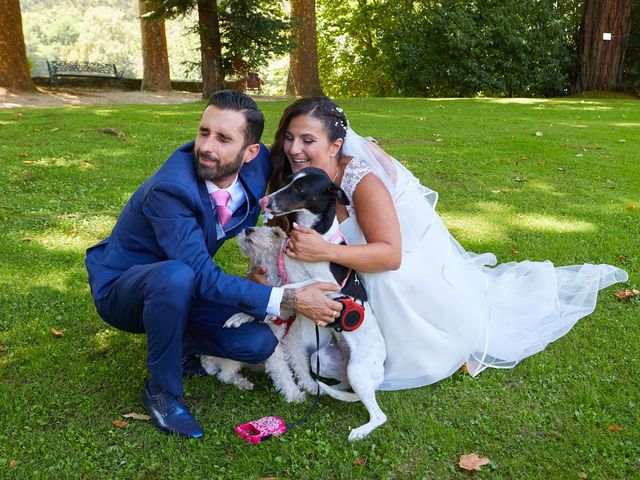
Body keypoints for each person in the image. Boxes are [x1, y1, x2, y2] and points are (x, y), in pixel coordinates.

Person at [268, 96, 629, 391]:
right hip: (357, 253)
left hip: (405, 254)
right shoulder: (295, 178)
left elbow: (391, 255)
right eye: (289, 137)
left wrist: (327, 251)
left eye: (307, 140)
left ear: (336, 145)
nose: (294, 148)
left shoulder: (363, 182)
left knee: (381, 280)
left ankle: (412, 346)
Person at [85, 91, 342, 439]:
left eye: (223, 138)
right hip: (124, 290)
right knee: (176, 275)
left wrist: (350, 159)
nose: (207, 146)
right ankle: (163, 391)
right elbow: (201, 275)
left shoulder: (258, 165)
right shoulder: (170, 190)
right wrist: (290, 299)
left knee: (258, 343)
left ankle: (183, 342)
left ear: (250, 152)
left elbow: (298, 159)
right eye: (204, 132)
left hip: (185, 286)